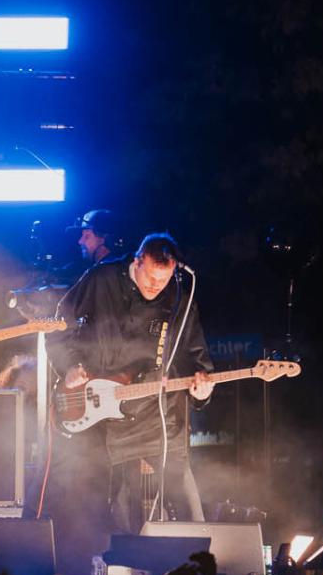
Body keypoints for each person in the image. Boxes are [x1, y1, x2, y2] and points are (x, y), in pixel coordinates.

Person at [50, 232, 214, 548]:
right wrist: (68, 366)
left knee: (183, 491)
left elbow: (195, 356)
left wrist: (202, 391)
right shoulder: (102, 277)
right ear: (137, 262)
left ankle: (203, 566)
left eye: (163, 280)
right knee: (92, 496)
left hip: (154, 414)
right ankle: (91, 569)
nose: (156, 286)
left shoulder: (179, 296)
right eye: (150, 277)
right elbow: (60, 325)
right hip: (99, 410)